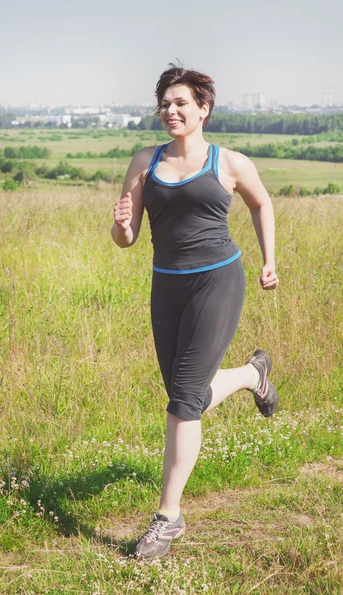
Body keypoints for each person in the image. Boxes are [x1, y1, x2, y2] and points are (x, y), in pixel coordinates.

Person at [111, 64, 279, 560]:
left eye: (181, 102)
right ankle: (253, 374)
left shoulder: (229, 163)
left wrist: (270, 261)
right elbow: (127, 239)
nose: (171, 110)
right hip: (167, 287)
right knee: (189, 397)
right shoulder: (145, 161)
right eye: (165, 103)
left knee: (183, 401)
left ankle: (168, 518)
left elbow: (261, 204)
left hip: (218, 280)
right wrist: (121, 225)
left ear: (203, 108)